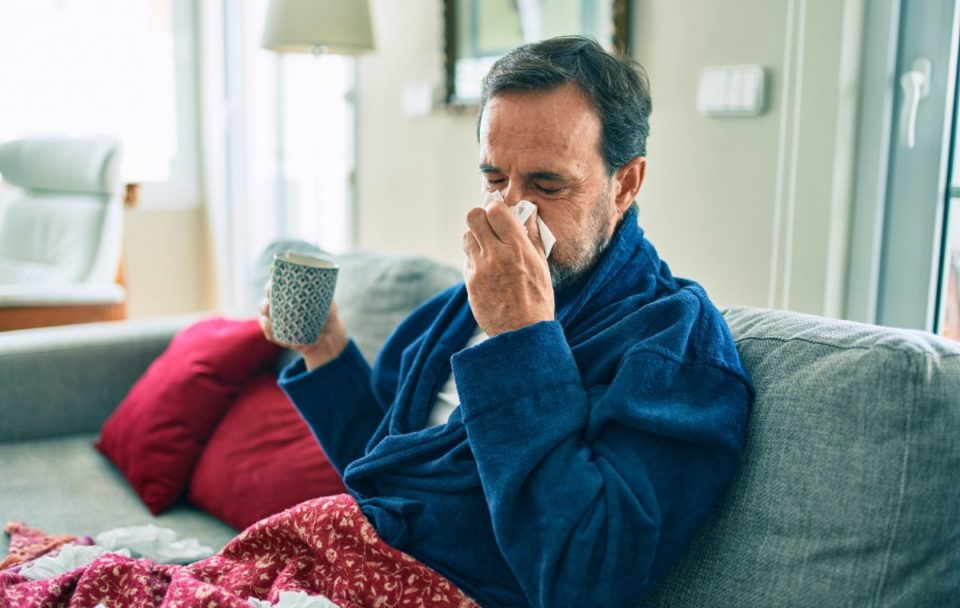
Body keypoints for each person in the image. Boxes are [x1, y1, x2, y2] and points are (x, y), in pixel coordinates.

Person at [260, 35, 753, 608]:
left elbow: (586, 575)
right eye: (495, 180)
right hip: (337, 565)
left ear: (625, 184)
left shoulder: (673, 344)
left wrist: (521, 338)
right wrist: (325, 349)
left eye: (547, 186)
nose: (510, 212)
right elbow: (387, 477)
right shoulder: (457, 308)